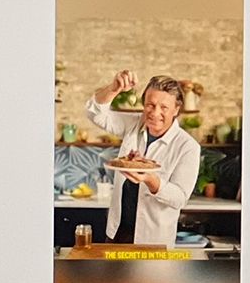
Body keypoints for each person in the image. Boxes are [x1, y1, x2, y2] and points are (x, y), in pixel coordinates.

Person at [85, 71, 202, 247]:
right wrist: (113, 88)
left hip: (153, 241)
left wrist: (150, 179)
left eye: (164, 107)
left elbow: (179, 198)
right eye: (150, 105)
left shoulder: (188, 146)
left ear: (176, 109)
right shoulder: (133, 124)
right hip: (116, 233)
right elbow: (94, 113)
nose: (155, 113)